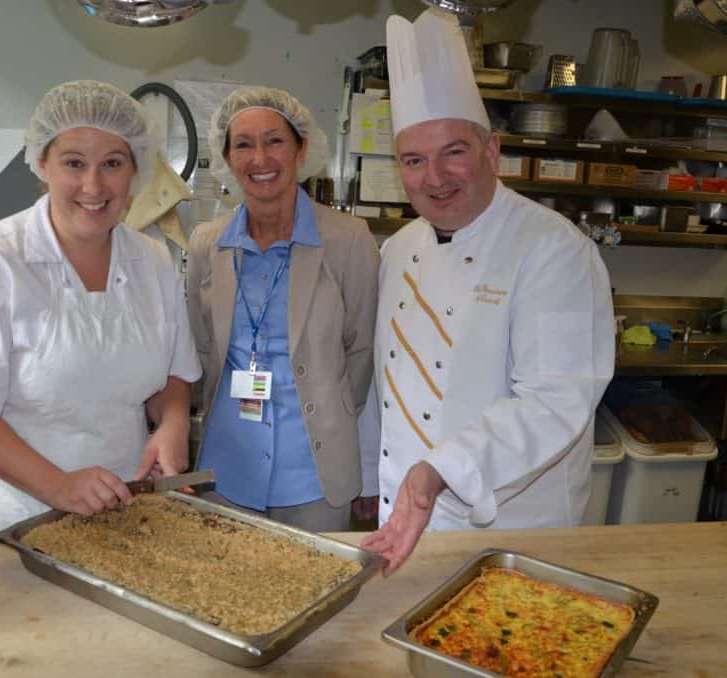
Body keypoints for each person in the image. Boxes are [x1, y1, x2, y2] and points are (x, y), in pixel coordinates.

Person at [360, 11, 616, 574]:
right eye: (414, 160)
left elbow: (555, 400)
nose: (436, 177)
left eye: (454, 151)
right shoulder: (398, 248)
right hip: (403, 522)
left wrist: (439, 471)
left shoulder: (554, 249)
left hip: (513, 529)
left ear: (492, 152)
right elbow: (387, 389)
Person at [0, 80, 201, 534]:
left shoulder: (153, 261)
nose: (94, 185)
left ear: (135, 170)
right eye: (74, 163)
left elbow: (172, 373)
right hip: (15, 520)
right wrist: (57, 486)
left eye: (112, 163)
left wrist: (172, 425)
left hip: (125, 508)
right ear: (42, 165)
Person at [186, 86, 380, 532]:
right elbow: (199, 350)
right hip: (225, 469)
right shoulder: (207, 245)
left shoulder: (349, 240)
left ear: (301, 149)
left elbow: (363, 353)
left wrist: (341, 426)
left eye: (274, 140)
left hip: (315, 475)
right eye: (244, 145)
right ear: (228, 158)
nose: (260, 159)